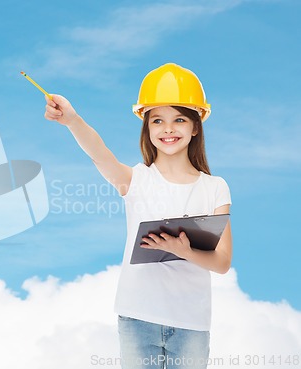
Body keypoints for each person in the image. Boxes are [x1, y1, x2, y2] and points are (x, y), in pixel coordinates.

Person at [43, 63, 232, 369]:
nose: (168, 129)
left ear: (196, 125)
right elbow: (98, 153)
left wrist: (184, 251)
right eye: (157, 120)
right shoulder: (135, 180)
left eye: (179, 119)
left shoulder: (215, 188)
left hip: (192, 321)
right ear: (147, 127)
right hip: (138, 317)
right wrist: (72, 120)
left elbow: (222, 262)